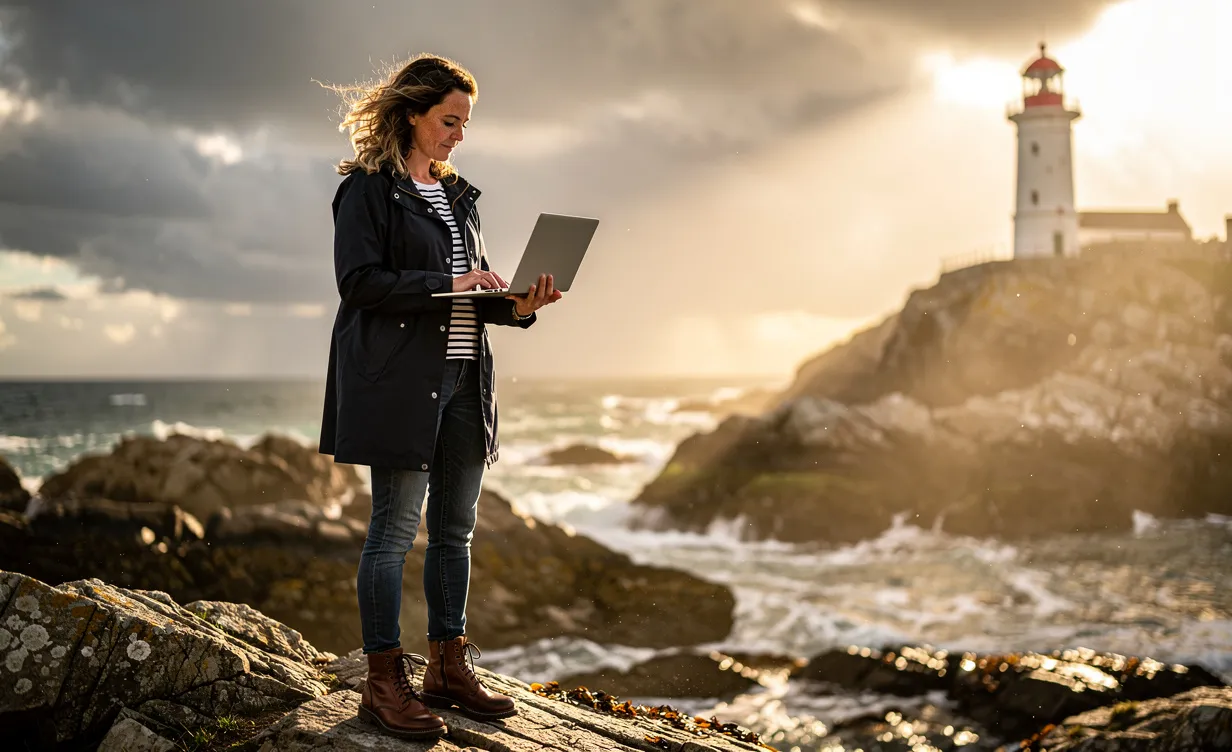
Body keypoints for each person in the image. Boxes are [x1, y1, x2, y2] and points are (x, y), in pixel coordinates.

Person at [318, 53, 561, 741]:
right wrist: (448, 287)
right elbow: (359, 285)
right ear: (412, 114)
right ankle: (382, 682)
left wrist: (517, 304)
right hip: (399, 385)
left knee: (456, 530)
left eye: (465, 123)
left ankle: (448, 667)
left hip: (463, 382)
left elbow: (466, 299)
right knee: (393, 534)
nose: (459, 136)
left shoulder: (459, 196)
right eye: (450, 121)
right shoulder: (367, 189)